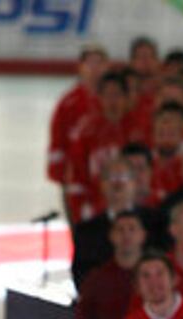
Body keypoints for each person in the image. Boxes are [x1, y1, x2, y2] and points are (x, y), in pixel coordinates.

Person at [46, 43, 108, 223]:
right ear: (80, 67)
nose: (95, 68)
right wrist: (60, 175)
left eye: (99, 63)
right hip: (76, 181)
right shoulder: (68, 103)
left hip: (108, 180)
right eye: (90, 63)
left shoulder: (115, 100)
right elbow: (57, 141)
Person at [66, 71, 139, 223]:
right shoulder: (86, 131)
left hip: (133, 207)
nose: (112, 101)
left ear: (126, 97)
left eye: (117, 94)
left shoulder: (138, 129)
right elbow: (77, 173)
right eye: (107, 95)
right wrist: (80, 209)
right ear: (99, 98)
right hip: (96, 209)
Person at [71, 155, 139, 289]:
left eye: (123, 177)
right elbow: (81, 276)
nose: (118, 184)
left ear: (134, 183)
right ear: (102, 184)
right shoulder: (86, 231)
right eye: (112, 177)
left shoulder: (156, 223)